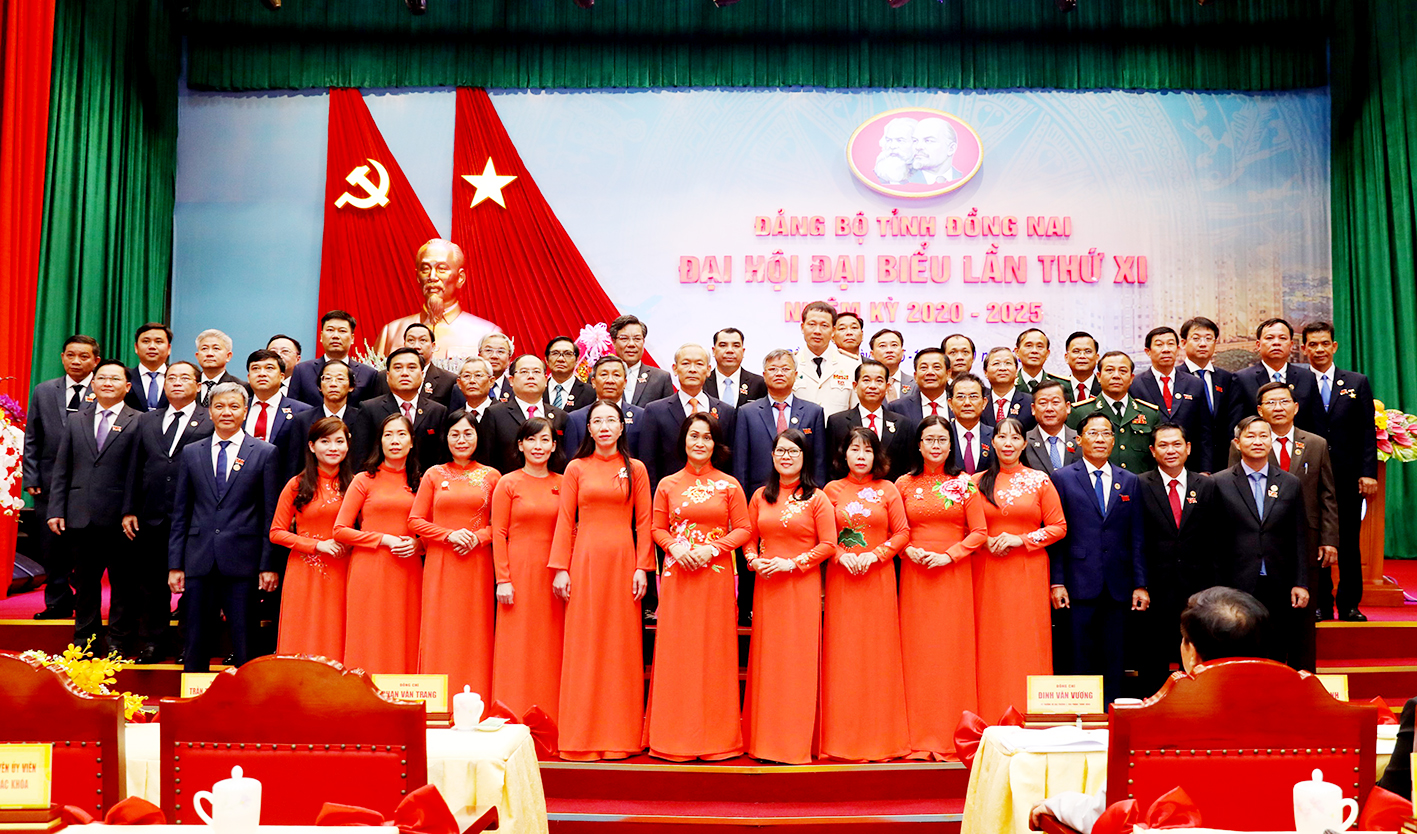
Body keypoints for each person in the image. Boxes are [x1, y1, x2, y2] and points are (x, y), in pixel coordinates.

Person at [1031, 587, 1270, 834]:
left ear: (1192, 654)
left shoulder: (1149, 721)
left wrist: (1057, 805)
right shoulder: (1293, 718)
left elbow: (1108, 816)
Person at [550, 400, 654, 760]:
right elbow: (566, 520)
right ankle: (581, 734)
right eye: (598, 421)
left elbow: (645, 521)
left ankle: (620, 735)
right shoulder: (576, 468)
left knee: (620, 646)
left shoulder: (635, 469)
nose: (605, 427)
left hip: (624, 561)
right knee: (585, 643)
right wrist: (560, 567)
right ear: (589, 429)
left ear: (622, 427)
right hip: (585, 561)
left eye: (612, 420)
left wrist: (642, 567)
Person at [646, 413, 750, 761]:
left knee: (714, 652)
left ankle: (716, 738)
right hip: (678, 575)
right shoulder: (667, 484)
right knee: (678, 652)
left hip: (715, 576)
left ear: (715, 444)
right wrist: (675, 548)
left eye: (707, 437)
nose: (700, 443)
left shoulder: (729, 485)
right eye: (694, 436)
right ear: (684, 441)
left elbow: (744, 529)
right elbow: (656, 528)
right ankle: (673, 737)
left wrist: (712, 549)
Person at [168, 382, 280, 672]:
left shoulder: (265, 452)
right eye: (219, 406)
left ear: (245, 411)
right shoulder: (192, 452)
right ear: (209, 412)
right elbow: (181, 512)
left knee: (245, 640)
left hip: (244, 561)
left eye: (233, 406)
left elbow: (270, 514)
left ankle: (247, 696)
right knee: (195, 639)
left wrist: (267, 565)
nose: (226, 412)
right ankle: (193, 695)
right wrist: (176, 564)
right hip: (199, 558)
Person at [895, 415, 987, 759]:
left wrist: (950, 555)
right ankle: (915, 732)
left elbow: (979, 532)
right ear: (919, 445)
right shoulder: (903, 484)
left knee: (951, 650)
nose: (936, 446)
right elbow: (893, 530)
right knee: (916, 651)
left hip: (953, 574)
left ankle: (953, 731)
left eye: (942, 440)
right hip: (915, 573)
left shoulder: (964, 484)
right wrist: (907, 550)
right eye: (929, 439)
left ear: (951, 446)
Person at [742, 428, 835, 764]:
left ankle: (794, 744)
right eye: (781, 451)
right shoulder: (760, 497)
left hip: (801, 587)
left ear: (804, 457)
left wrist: (793, 563)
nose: (786, 457)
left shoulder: (817, 498)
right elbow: (749, 538)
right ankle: (764, 742)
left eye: (793, 451)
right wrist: (753, 561)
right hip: (768, 588)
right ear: (772, 456)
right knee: (768, 663)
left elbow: (829, 544)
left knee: (797, 663)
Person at [820, 427, 910, 761]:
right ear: (843, 454)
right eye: (855, 449)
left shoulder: (888, 489)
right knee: (843, 655)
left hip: (878, 578)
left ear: (877, 456)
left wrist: (876, 555)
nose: (861, 456)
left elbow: (902, 533)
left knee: (878, 655)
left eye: (868, 450)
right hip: (842, 580)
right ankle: (841, 737)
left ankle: (881, 737)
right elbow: (823, 536)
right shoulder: (830, 490)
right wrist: (841, 556)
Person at [1048, 412, 1149, 703]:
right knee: (1079, 655)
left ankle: (1111, 715)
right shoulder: (1062, 478)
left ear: (1113, 440)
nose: (1100, 439)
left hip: (1118, 584)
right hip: (1077, 582)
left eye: (1106, 433)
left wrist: (1140, 584)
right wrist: (1057, 582)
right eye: (1093, 433)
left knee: (1114, 657)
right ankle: (1081, 715)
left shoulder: (1129, 481)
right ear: (1079, 440)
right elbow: (1057, 535)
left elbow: (1137, 536)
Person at [1237, 382, 1337, 668]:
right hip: (1258, 547)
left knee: (1302, 621)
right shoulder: (1248, 442)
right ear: (1260, 410)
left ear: (1296, 407)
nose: (1278, 408)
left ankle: (1303, 679)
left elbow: (1327, 494)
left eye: (1284, 401)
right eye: (1270, 403)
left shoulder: (1315, 444)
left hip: (1306, 541)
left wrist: (1329, 538)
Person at [973, 417, 1067, 718]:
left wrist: (1021, 539)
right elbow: (963, 527)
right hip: (987, 569)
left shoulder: (1039, 480)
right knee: (990, 639)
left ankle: (1031, 712)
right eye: (1002, 437)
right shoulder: (975, 482)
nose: (1008, 444)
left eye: (1015, 438)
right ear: (993, 442)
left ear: (1024, 443)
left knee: (1027, 638)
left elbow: (1059, 527)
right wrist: (985, 540)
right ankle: (989, 710)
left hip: (1028, 569)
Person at [48, 359, 141, 653]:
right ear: (93, 384)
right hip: (80, 514)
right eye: (102, 378)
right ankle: (84, 640)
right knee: (85, 583)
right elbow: (62, 467)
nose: (107, 383)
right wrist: (56, 509)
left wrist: (132, 508)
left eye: (115, 379)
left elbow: (140, 472)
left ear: (127, 386)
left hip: (121, 518)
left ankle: (118, 641)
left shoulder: (139, 421)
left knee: (123, 583)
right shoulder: (77, 419)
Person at [122, 361, 213, 663]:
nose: (176, 382)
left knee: (195, 584)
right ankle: (153, 642)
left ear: (198, 386)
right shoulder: (147, 420)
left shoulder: (209, 419)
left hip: (195, 516)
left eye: (185, 378)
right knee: (152, 583)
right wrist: (129, 508)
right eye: (171, 378)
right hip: (152, 514)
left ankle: (190, 642)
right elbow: (135, 466)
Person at [733, 349, 827, 627]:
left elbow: (818, 462)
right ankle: (750, 612)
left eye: (785, 368)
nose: (779, 373)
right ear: (764, 375)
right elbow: (741, 463)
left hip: (802, 502)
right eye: (773, 369)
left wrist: (812, 498)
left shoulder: (813, 411)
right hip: (762, 501)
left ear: (796, 375)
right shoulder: (747, 412)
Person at [411, 410, 501, 695]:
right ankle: (437, 702)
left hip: (477, 562)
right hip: (441, 561)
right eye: (455, 434)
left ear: (478, 437)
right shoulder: (433, 474)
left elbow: (501, 526)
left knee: (475, 630)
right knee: (440, 628)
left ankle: (476, 699)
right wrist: (448, 534)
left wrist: (478, 538)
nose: (461, 440)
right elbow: (415, 521)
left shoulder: (492, 476)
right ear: (446, 438)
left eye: (468, 433)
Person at [1213, 416, 1309, 668]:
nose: (1258, 441)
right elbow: (1212, 540)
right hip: (1235, 581)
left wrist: (1300, 582)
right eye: (1250, 436)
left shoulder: (1290, 483)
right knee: (1235, 650)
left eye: (1264, 436)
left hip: (1278, 581)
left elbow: (1299, 536)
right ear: (1237, 443)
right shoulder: (1218, 483)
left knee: (1276, 649)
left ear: (1271, 441)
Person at [1300, 321, 1377, 623]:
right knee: (1315, 539)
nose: (1319, 349)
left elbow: (1367, 431)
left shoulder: (1357, 382)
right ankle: (1320, 603)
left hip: (1347, 476)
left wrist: (1368, 472)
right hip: (1310, 475)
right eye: (1313, 344)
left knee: (1348, 541)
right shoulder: (1298, 383)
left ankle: (1349, 604)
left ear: (1334, 346)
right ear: (1304, 349)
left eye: (1324, 343)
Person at [334, 413, 422, 674]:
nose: (395, 441)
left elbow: (429, 530)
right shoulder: (364, 479)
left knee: (405, 632)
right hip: (369, 569)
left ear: (412, 442)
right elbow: (340, 531)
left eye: (401, 434)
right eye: (388, 435)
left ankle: (402, 694)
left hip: (408, 569)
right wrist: (383, 539)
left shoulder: (422, 481)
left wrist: (418, 545)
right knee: (369, 633)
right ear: (380, 442)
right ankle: (361, 692)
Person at [491, 417, 566, 721]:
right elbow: (498, 533)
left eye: (544, 440)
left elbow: (571, 530)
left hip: (554, 573)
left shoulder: (564, 483)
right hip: (518, 571)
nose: (538, 446)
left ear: (554, 446)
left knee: (550, 642)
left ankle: (552, 714)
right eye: (531, 440)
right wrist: (503, 579)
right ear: (520, 445)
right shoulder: (508, 483)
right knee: (517, 643)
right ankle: (512, 713)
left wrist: (565, 569)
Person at [23, 334, 99, 620]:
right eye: (70, 355)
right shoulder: (44, 390)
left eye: (83, 356)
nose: (76, 361)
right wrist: (31, 477)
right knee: (50, 545)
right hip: (48, 480)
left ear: (95, 361)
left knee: (86, 547)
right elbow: (33, 436)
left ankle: (85, 600)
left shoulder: (104, 388)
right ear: (62, 357)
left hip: (89, 482)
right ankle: (57, 601)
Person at [1137, 423, 1218, 690]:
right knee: (1153, 655)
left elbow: (1215, 537)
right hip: (1155, 585)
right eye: (1163, 445)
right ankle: (1153, 704)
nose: (1170, 450)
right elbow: (1135, 538)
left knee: (1198, 652)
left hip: (1197, 587)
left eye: (1176, 444)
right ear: (1152, 451)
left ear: (1188, 448)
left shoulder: (1206, 485)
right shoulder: (1139, 484)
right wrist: (1140, 583)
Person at [269, 417, 353, 660]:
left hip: (344, 569)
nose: (333, 448)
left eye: (339, 441)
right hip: (304, 570)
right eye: (325, 442)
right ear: (312, 446)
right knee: (303, 630)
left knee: (338, 629)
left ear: (348, 445)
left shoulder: (356, 484)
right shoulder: (296, 484)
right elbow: (276, 532)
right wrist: (317, 545)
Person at [372, 238, 502, 361]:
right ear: (417, 277)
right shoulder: (391, 332)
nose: (432, 277)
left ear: (460, 278)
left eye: (442, 269)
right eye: (425, 269)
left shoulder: (487, 333)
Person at [641, 344, 737, 490]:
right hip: (670, 493)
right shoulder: (655, 411)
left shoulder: (726, 412)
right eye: (685, 363)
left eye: (699, 364)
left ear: (708, 370)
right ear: (675, 369)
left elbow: (731, 462)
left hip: (715, 493)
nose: (692, 369)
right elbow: (649, 463)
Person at [1129, 327, 1212, 471]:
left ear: (1178, 349)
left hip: (1189, 467)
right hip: (1148, 467)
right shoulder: (1135, 385)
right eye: (1159, 344)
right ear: (1148, 351)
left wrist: (1205, 470)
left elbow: (1204, 430)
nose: (1166, 349)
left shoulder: (1195, 384)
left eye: (1170, 344)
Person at [352, 347, 449, 469]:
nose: (404, 373)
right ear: (387, 376)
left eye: (412, 367)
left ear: (422, 375)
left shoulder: (437, 411)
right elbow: (360, 456)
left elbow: (441, 458)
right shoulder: (369, 409)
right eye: (398, 368)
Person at [1066, 351, 1161, 473]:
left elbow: (1156, 458)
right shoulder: (1080, 412)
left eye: (1123, 371)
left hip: (1139, 482)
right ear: (1099, 376)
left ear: (1132, 378)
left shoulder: (1150, 413)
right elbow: (1073, 457)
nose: (1116, 376)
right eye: (1109, 370)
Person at [478, 354, 569, 474]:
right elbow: (485, 461)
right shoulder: (494, 414)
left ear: (546, 380)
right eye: (524, 372)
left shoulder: (561, 416)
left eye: (536, 372)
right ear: (511, 380)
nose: (531, 376)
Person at [826, 359, 915, 481]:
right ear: (855, 386)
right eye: (866, 380)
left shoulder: (903, 424)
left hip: (891, 490)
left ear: (887, 386)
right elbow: (831, 466)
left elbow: (908, 468)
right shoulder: (837, 422)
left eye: (879, 381)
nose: (872, 386)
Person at [1233, 318, 1322, 432]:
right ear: (1258, 345)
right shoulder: (1242, 379)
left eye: (1282, 338)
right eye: (1269, 338)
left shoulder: (1307, 377)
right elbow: (1237, 424)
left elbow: (1318, 422)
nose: (1276, 343)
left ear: (1291, 345)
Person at [1178, 316, 1242, 475]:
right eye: (1196, 338)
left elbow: (1232, 421)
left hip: (1224, 462)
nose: (1203, 344)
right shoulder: (1175, 378)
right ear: (1184, 343)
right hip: (1186, 463)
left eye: (1208, 339)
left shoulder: (1227, 379)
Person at [281, 359, 359, 479]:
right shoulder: (303, 420)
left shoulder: (361, 418)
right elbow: (294, 463)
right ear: (319, 386)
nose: (333, 384)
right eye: (327, 378)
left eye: (340, 379)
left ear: (351, 386)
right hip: (310, 484)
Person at [243, 350, 312, 480]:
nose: (262, 373)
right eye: (255, 368)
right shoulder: (238, 408)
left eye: (269, 368)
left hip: (283, 481)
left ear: (282, 376)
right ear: (248, 377)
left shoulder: (302, 411)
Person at [288, 311, 379, 407]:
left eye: (342, 331)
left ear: (352, 338)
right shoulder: (302, 371)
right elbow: (293, 407)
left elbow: (372, 410)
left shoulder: (369, 374)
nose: (335, 336)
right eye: (330, 330)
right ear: (321, 336)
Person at [564, 356, 645, 459]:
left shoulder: (641, 416)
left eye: (616, 375)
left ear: (625, 383)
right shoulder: (576, 419)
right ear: (593, 382)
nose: (610, 380)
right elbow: (572, 460)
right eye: (604, 374)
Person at [792, 301, 857, 417]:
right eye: (812, 324)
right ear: (802, 327)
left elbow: (856, 412)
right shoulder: (790, 364)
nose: (817, 331)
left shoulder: (851, 365)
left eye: (824, 326)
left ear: (833, 331)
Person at [372, 323, 456, 408]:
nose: (416, 346)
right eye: (411, 340)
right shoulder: (383, 376)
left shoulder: (448, 380)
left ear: (433, 346)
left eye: (423, 340)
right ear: (404, 344)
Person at [610, 315, 675, 407]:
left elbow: (668, 412)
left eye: (637, 339)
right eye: (624, 338)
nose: (631, 344)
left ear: (643, 342)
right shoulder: (601, 377)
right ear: (613, 342)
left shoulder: (661, 378)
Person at [1022, 381, 1080, 474]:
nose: (1049, 409)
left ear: (1067, 407)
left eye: (1055, 402)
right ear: (1033, 409)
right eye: (1043, 403)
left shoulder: (1082, 441)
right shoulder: (1023, 443)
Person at [706, 327, 767, 408]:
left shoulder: (759, 384)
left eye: (736, 345)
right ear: (714, 351)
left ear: (743, 351)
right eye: (723, 345)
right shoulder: (702, 383)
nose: (730, 350)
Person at [887, 347, 951, 422]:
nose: (930, 372)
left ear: (948, 374)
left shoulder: (959, 403)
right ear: (915, 376)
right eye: (924, 367)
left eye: (936, 367)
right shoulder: (898, 408)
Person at [981, 347, 1035, 432]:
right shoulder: (980, 404)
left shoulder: (1031, 402)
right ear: (985, 372)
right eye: (996, 363)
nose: (1002, 368)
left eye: (1008, 363)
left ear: (1016, 371)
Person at [948, 373, 992, 474]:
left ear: (984, 402)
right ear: (950, 403)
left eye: (973, 396)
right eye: (961, 397)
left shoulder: (995, 436)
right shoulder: (943, 436)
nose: (967, 403)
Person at [126, 322, 172, 412]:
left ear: (169, 348)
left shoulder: (178, 380)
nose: (152, 346)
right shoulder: (125, 377)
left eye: (158, 341)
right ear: (136, 347)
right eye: (146, 341)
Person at [543, 336, 592, 411]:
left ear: (577, 360)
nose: (560, 359)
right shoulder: (537, 390)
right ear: (546, 359)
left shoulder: (590, 392)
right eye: (555, 353)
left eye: (568, 354)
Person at [194, 329, 240, 406]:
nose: (209, 354)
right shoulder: (189, 384)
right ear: (197, 356)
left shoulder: (240, 386)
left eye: (216, 348)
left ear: (228, 356)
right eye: (204, 348)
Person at [910, 117, 962, 184]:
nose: (918, 147)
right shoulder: (906, 182)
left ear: (951, 148)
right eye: (915, 141)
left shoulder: (961, 177)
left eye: (928, 141)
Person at [1015, 329, 1067, 393]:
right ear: (1017, 352)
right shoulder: (1008, 384)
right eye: (1029, 346)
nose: (1034, 351)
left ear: (1047, 353)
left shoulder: (1060, 385)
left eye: (1039, 346)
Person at [868, 329, 913, 402]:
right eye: (882, 346)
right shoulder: (865, 385)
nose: (889, 350)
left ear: (902, 352)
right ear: (872, 354)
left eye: (894, 345)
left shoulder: (916, 384)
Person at [1063, 331, 1102, 404]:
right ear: (1066, 357)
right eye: (1076, 351)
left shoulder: (1106, 389)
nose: (1082, 356)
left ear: (1097, 358)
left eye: (1088, 351)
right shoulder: (1058, 389)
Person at [480, 333, 516, 403]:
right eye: (488, 350)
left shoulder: (517, 390)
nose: (494, 356)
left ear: (509, 359)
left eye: (500, 351)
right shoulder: (464, 388)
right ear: (479, 355)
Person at [265, 334, 301, 399]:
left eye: (285, 351)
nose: (278, 355)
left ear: (297, 359)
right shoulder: (254, 386)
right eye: (273, 352)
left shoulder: (307, 388)